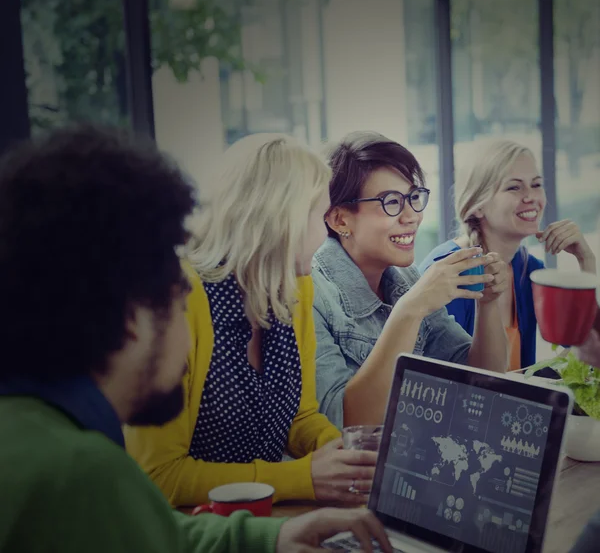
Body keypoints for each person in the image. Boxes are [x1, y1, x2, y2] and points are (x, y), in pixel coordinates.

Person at [0, 125, 393, 553]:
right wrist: (302, 479)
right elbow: (156, 494)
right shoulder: (81, 473)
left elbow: (160, 537)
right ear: (132, 314)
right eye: (172, 295)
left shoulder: (42, 440)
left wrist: (273, 535)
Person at [125, 133, 377, 507]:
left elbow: (300, 416)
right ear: (281, 221)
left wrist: (343, 455)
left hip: (262, 523)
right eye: (319, 217)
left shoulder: (296, 287)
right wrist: (301, 478)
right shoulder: (178, 300)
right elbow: (158, 477)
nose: (326, 234)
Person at [312, 131, 509, 429]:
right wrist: (409, 310)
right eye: (391, 201)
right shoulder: (311, 294)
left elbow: (480, 381)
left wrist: (490, 302)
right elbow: (344, 424)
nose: (412, 216)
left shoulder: (405, 277)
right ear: (340, 220)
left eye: (413, 197)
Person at [420, 139, 596, 371]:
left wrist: (587, 262)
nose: (531, 196)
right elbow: (458, 381)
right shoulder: (448, 271)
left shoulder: (529, 269)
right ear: (477, 205)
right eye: (514, 187)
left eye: (536, 184)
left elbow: (585, 353)